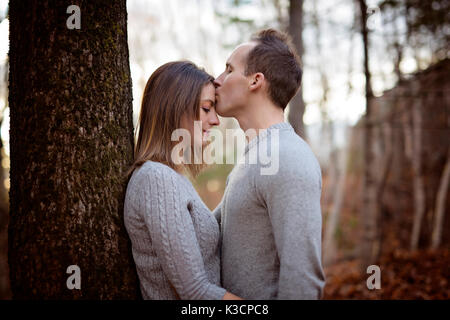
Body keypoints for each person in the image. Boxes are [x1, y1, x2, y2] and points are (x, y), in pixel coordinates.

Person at [213, 29, 326, 299]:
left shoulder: (288, 158)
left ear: (255, 81)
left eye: (228, 70)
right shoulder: (257, 155)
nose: (217, 81)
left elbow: (303, 283)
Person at [124, 61, 241, 300]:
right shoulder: (156, 179)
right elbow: (195, 292)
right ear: (175, 108)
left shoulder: (173, 176)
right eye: (206, 109)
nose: (216, 120)